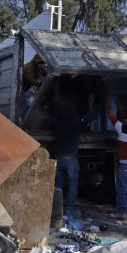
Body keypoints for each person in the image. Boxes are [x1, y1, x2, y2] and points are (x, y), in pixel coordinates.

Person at [53, 87, 96, 215]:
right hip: (71, 158)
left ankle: (57, 207)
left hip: (59, 157)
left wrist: (56, 93)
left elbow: (55, 107)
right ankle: (70, 207)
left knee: (59, 184)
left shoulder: (57, 121)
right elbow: (90, 116)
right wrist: (90, 103)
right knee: (73, 184)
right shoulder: (76, 121)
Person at [107, 97, 127, 220]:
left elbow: (112, 117)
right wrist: (120, 106)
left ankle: (121, 212)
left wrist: (109, 104)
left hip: (124, 167)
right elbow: (124, 118)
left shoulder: (122, 129)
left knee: (121, 189)